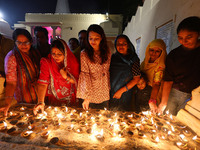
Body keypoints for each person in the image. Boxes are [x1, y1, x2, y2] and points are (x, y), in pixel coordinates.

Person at [158, 16, 200, 116]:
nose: (184, 42)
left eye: (189, 37)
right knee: (168, 122)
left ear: (198, 34)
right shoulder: (174, 55)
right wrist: (163, 103)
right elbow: (168, 81)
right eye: (180, 38)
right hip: (174, 94)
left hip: (194, 97)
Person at [0, 28, 41, 116]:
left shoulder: (34, 53)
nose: (23, 45)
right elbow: (11, 83)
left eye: (26, 42)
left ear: (31, 41)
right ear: (15, 42)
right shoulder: (12, 57)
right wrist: (7, 103)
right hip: (24, 96)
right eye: (19, 42)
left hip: (39, 93)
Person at [33, 39, 79, 115]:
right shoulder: (47, 62)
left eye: (59, 54)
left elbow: (78, 81)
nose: (56, 56)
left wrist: (65, 76)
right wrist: (40, 102)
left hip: (70, 99)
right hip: (54, 98)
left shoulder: (72, 63)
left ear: (65, 53)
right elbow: (42, 83)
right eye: (53, 54)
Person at [77, 24, 111, 110]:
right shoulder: (84, 54)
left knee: (103, 119)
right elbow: (85, 76)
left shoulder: (107, 52)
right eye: (90, 38)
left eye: (96, 38)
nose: (93, 41)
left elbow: (106, 72)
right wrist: (86, 97)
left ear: (101, 38)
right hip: (91, 93)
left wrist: (108, 88)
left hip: (104, 91)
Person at [109, 34, 140, 111]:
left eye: (124, 44)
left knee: (123, 115)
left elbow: (136, 79)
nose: (121, 46)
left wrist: (121, 91)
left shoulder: (133, 59)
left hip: (125, 92)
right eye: (118, 44)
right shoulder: (113, 58)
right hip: (112, 91)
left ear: (128, 45)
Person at [140, 39, 167, 114]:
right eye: (152, 50)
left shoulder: (160, 66)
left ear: (162, 52)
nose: (154, 53)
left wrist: (152, 100)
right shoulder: (145, 62)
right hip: (143, 90)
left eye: (157, 51)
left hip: (153, 93)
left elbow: (156, 84)